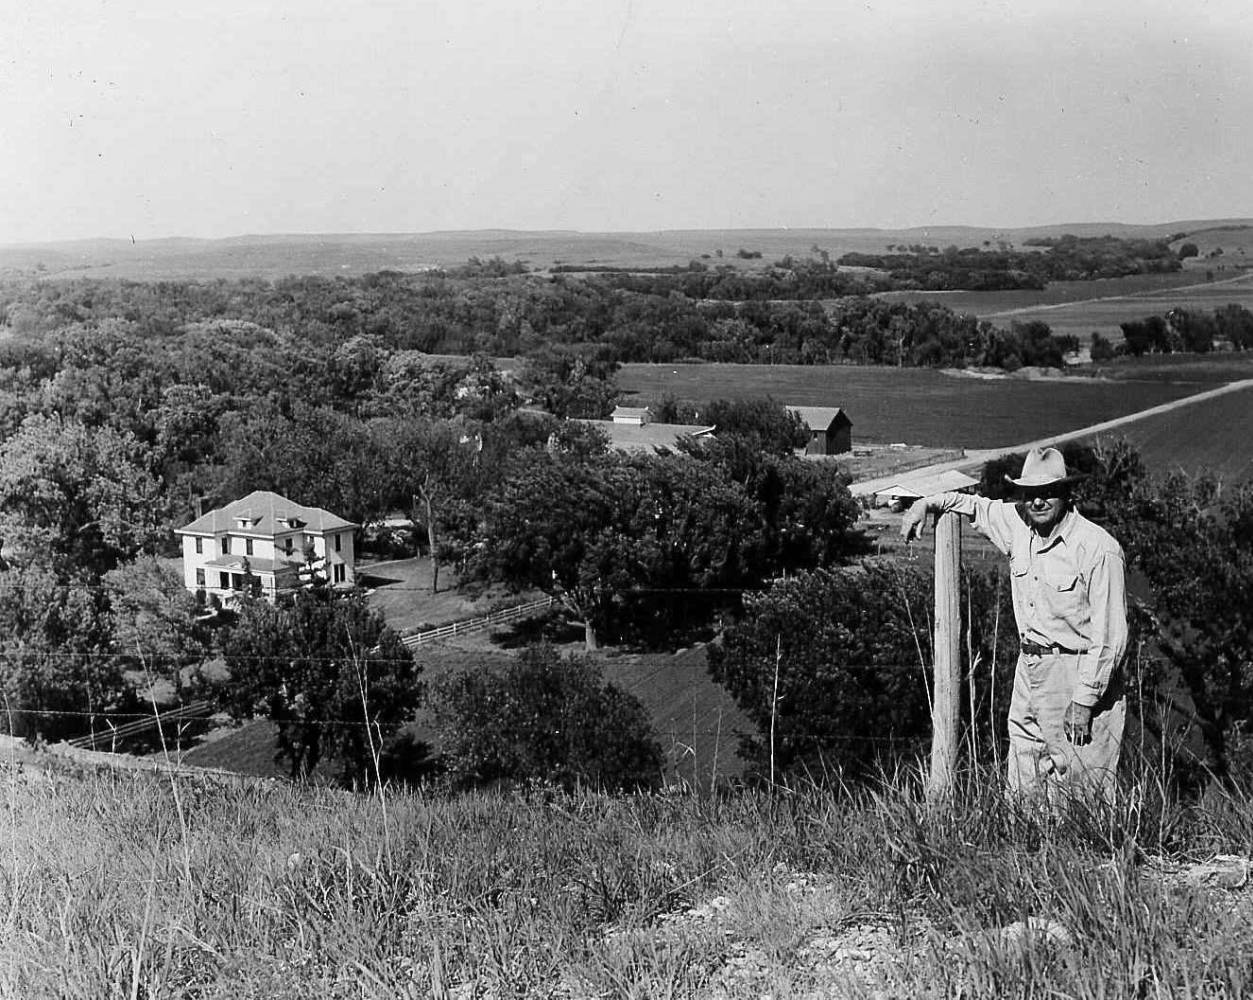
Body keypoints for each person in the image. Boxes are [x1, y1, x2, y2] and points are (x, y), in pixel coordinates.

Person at [900, 447, 1128, 797]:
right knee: (1024, 780)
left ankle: (1082, 836)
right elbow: (974, 506)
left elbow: (1110, 636)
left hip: (1077, 671)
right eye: (1029, 493)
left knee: (1083, 787)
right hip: (1029, 669)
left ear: (1067, 493)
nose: (1037, 501)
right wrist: (925, 504)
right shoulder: (1018, 524)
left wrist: (1084, 699)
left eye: (1047, 492)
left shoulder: (1098, 548)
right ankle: (1025, 833)